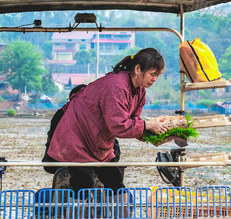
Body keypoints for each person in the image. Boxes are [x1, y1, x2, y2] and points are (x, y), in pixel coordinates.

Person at [46, 48, 171, 192]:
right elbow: (119, 125)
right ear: (137, 69)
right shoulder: (116, 86)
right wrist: (148, 125)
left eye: (158, 75)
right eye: (152, 74)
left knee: (115, 180)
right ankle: (78, 213)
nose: (155, 79)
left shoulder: (140, 91)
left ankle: (119, 214)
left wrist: (152, 134)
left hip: (97, 139)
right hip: (76, 133)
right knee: (83, 182)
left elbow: (133, 121)